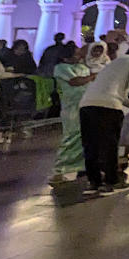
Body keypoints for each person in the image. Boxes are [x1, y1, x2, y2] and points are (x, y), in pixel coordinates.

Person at [79, 30, 129, 192]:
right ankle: (111, 181)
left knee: (91, 145)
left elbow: (114, 91)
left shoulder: (113, 64)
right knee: (109, 145)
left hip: (87, 105)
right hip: (108, 109)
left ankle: (94, 182)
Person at [49, 46, 93, 185]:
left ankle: (83, 167)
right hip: (71, 107)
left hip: (85, 104)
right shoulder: (61, 68)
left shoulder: (82, 66)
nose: (79, 55)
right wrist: (93, 76)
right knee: (71, 137)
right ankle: (59, 170)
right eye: (76, 53)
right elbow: (75, 81)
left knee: (85, 136)